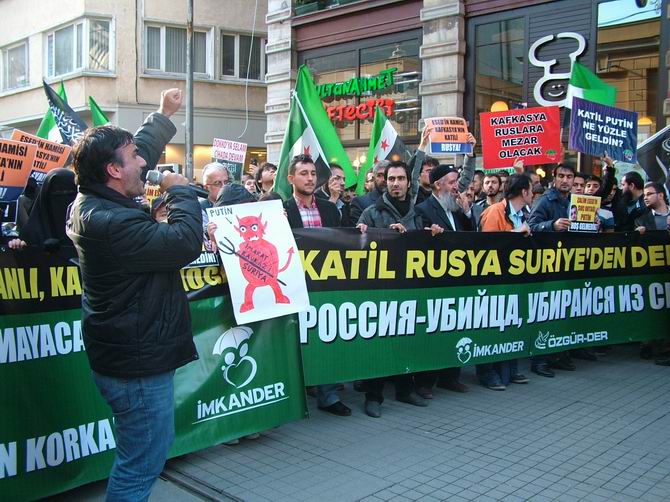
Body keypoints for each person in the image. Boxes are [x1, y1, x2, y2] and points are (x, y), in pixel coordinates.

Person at [66, 89, 203, 501]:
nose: (143, 163)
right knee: (141, 462)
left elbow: (137, 151)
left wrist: (162, 115)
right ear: (112, 169)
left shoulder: (97, 198)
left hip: (132, 355)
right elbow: (184, 242)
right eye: (132, 158)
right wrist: (180, 191)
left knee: (141, 452)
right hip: (136, 367)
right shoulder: (110, 221)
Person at [356, 161, 428, 417]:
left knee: (406, 339)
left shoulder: (418, 213)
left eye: (400, 178)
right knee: (378, 343)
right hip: (380, 289)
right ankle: (373, 396)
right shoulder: (371, 212)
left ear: (409, 182)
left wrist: (432, 234)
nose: (395, 183)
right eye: (391, 179)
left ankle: (405, 389)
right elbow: (356, 245)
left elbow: (425, 245)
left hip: (409, 287)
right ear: (384, 182)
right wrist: (383, 233)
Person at [284, 154, 352, 417]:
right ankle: (293, 397)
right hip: (293, 286)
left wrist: (358, 231)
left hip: (326, 286)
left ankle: (329, 395)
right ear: (291, 178)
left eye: (313, 173)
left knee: (326, 338)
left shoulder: (329, 209)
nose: (310, 178)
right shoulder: (280, 210)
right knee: (295, 341)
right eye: (304, 173)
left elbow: (344, 240)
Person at [413, 164, 474, 397]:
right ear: (438, 185)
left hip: (456, 280)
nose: (456, 187)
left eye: (456, 181)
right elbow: (419, 244)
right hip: (434, 282)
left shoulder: (457, 208)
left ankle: (450, 377)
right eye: (452, 182)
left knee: (454, 329)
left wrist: (467, 213)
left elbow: (471, 237)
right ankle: (425, 382)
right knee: (432, 332)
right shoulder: (423, 209)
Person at [476, 173, 533, 390]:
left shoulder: (522, 214)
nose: (533, 194)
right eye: (531, 190)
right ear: (524, 192)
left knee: (510, 324)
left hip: (512, 280)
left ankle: (509, 368)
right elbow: (487, 246)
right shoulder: (495, 212)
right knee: (490, 328)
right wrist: (517, 233)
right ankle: (487, 373)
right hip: (493, 283)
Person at [527, 163, 577, 376]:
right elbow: (531, 227)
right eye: (561, 176)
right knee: (546, 313)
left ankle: (558, 356)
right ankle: (539, 361)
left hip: (567, 263)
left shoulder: (575, 201)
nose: (565, 180)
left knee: (563, 312)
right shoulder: (545, 201)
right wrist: (552, 225)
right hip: (547, 265)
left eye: (569, 176)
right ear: (554, 178)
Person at [8, 168, 77, 251]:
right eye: (57, 193)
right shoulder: (32, 233)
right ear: (45, 196)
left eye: (70, 193)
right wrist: (17, 245)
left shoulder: (85, 229)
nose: (64, 199)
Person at [349, 160, 389, 224]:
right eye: (379, 175)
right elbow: (357, 228)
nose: (384, 179)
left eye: (387, 175)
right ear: (374, 178)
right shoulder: (359, 202)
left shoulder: (400, 200)